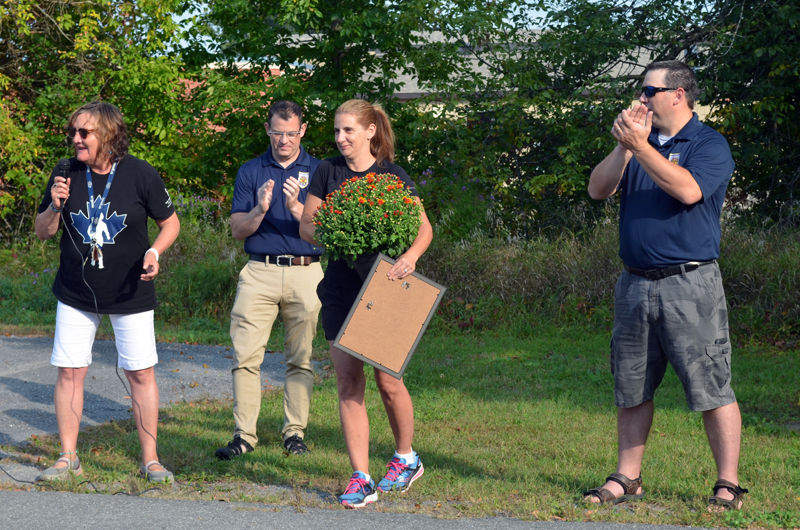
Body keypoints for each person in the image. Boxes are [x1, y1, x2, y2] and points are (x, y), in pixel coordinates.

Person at [585, 61, 746, 510]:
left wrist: (642, 147)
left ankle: (727, 484)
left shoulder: (708, 144)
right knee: (632, 383)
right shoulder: (638, 143)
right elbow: (598, 189)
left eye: (649, 91)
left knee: (711, 385)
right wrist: (624, 148)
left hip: (690, 284)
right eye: (640, 91)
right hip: (635, 284)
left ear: (678, 94)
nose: (641, 99)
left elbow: (689, 191)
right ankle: (627, 477)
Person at [34, 101, 180, 482]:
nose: (76, 139)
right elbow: (43, 231)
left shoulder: (139, 174)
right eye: (73, 133)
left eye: (85, 133)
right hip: (76, 291)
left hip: (130, 289)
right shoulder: (65, 173)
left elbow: (171, 224)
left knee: (141, 374)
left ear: (109, 135)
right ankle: (67, 457)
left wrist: (154, 251)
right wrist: (54, 204)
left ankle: (151, 460)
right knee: (70, 372)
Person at [299, 99, 433, 508]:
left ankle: (406, 458)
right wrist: (335, 231)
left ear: (370, 131)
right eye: (337, 131)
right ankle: (361, 478)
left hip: (385, 285)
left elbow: (424, 228)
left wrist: (409, 258)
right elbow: (306, 227)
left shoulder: (392, 175)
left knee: (388, 382)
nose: (340, 138)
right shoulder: (327, 171)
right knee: (347, 381)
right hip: (340, 285)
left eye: (348, 131)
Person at [215, 100, 323, 460]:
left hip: (306, 272)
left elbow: (328, 234)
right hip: (259, 271)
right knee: (246, 357)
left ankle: (294, 433)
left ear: (302, 131)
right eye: (277, 132)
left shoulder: (321, 171)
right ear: (268, 130)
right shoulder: (251, 170)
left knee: (300, 358)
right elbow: (236, 230)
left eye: (291, 133)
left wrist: (297, 209)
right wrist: (260, 209)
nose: (284, 140)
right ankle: (244, 436)